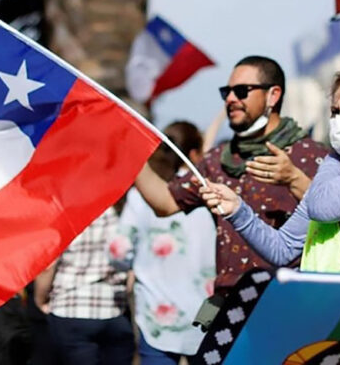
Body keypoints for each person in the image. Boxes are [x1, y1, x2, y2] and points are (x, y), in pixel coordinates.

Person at [200, 69, 340, 277]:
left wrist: (333, 156)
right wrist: (238, 210)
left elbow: (323, 206)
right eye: (335, 112)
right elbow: (283, 247)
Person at [134, 56, 329, 294]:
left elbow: (335, 220)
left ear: (273, 95)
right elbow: (165, 202)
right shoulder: (217, 160)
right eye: (226, 92)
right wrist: (131, 154)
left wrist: (294, 179)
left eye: (241, 91)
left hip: (289, 297)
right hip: (231, 300)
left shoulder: (310, 155)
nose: (230, 99)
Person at [108, 121, 216, 365]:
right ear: (194, 154)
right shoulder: (211, 192)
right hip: (207, 309)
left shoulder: (143, 194)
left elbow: (118, 250)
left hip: (157, 311)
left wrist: (134, 265)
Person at [34, 207, 133, 365]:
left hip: (70, 308)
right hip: (114, 308)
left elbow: (48, 266)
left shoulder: (63, 214)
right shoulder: (120, 212)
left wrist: (39, 299)